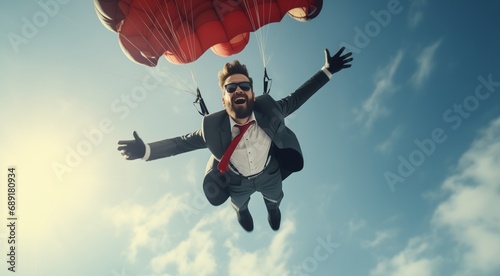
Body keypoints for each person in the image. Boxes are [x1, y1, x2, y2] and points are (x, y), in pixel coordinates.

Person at [118, 47, 353, 232]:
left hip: (269, 174)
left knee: (274, 199)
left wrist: (328, 71)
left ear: (252, 93)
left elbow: (298, 97)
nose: (238, 90)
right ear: (224, 100)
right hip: (235, 182)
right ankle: (242, 212)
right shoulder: (211, 127)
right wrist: (146, 150)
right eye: (231, 88)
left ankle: (272, 210)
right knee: (239, 204)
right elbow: (181, 143)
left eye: (244, 86)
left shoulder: (270, 110)